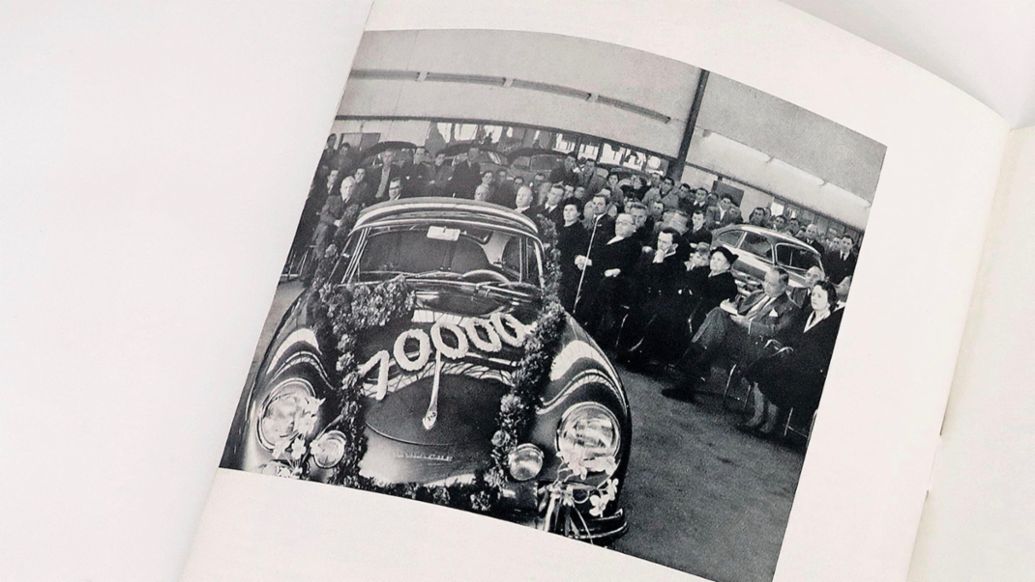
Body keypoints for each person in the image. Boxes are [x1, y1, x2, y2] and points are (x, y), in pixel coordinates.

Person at [665, 268, 798, 401]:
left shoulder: (789, 307)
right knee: (718, 314)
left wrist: (747, 324)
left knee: (716, 325)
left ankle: (693, 360)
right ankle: (695, 371)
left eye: (771, 284)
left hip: (753, 344)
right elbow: (739, 309)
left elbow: (776, 331)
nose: (766, 286)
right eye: (765, 281)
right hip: (733, 333)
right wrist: (729, 306)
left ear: (783, 287)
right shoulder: (758, 294)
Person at [741, 281, 843, 436]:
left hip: (808, 370)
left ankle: (770, 424)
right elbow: (791, 335)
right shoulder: (807, 313)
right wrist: (783, 344)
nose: (814, 298)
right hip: (789, 359)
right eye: (813, 294)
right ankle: (758, 416)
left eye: (820, 296)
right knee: (759, 367)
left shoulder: (831, 325)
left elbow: (821, 354)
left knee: (774, 375)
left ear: (829, 300)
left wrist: (797, 353)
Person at [616, 228, 687, 365]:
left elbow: (662, 286)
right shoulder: (649, 255)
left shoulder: (678, 265)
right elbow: (637, 275)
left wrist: (659, 264)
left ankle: (635, 354)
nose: (660, 245)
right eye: (659, 240)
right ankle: (621, 349)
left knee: (643, 315)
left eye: (665, 243)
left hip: (660, 301)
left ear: (674, 246)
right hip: (641, 295)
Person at [574, 213, 641, 341]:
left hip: (614, 281)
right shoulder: (606, 238)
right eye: (618, 223)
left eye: (624, 223)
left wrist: (591, 263)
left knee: (599, 289)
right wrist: (581, 259)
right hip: (595, 274)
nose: (619, 226)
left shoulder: (633, 245)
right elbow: (592, 253)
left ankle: (589, 328)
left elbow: (619, 263)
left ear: (634, 228)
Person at [312, 176, 361, 257]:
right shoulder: (331, 199)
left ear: (354, 189)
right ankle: (321, 257)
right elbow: (323, 215)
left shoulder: (355, 204)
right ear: (341, 189)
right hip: (325, 229)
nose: (348, 190)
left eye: (351, 187)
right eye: (345, 187)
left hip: (340, 232)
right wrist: (335, 221)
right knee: (325, 228)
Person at [556, 199, 589, 311]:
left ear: (579, 213)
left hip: (566, 271)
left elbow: (578, 252)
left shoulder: (580, 231)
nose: (567, 212)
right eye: (565, 210)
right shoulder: (557, 226)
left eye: (571, 210)